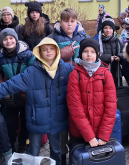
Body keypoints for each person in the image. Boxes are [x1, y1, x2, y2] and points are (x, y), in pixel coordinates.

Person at [0, 38, 74, 165]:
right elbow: (8, 85)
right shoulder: (31, 72)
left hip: (57, 119)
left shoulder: (67, 69)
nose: (48, 52)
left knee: (56, 150)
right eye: (44, 49)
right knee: (33, 151)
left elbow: (82, 82)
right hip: (36, 119)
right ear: (39, 52)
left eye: (51, 49)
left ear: (57, 51)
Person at [49, 8, 89, 163]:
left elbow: (92, 56)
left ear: (77, 22)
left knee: (77, 124)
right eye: (66, 21)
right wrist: (64, 53)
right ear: (60, 22)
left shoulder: (84, 37)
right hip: (59, 87)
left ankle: (76, 157)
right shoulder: (52, 38)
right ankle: (61, 158)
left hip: (79, 87)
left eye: (72, 21)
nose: (69, 24)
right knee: (61, 130)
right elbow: (41, 60)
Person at [66, 39, 116, 147]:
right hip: (79, 133)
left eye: (92, 52)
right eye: (85, 51)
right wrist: (89, 135)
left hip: (100, 134)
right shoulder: (75, 75)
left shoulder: (106, 75)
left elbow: (111, 107)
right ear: (81, 53)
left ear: (97, 54)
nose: (89, 54)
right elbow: (75, 108)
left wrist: (104, 134)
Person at [0, 28, 34, 153]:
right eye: (5, 39)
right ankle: (11, 146)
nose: (8, 41)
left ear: (16, 40)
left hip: (25, 95)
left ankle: (23, 144)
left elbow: (33, 72)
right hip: (9, 96)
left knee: (25, 121)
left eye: (11, 38)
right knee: (10, 124)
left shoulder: (27, 54)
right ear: (1, 42)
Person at [97, 17, 123, 87]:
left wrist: (120, 57)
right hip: (103, 73)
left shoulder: (118, 41)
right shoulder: (98, 42)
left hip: (117, 73)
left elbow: (124, 53)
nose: (108, 30)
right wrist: (109, 58)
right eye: (106, 28)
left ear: (113, 30)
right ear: (102, 29)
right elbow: (96, 56)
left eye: (110, 28)